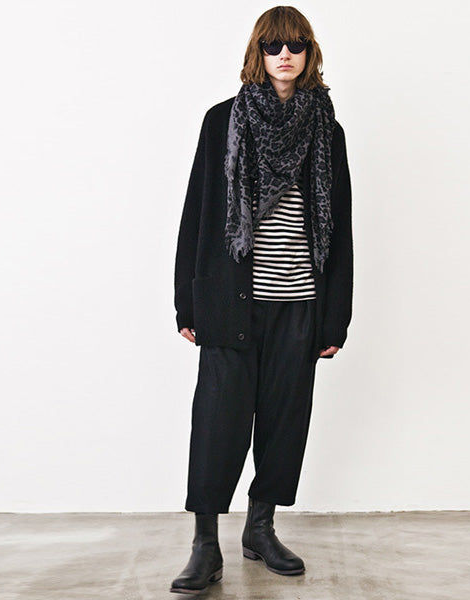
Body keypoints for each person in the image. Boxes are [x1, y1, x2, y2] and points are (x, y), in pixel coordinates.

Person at [171, 6, 353, 595]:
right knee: (217, 423)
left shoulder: (327, 130)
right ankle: (205, 544)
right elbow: (197, 212)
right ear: (259, 51)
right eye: (274, 45)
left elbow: (339, 229)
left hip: (299, 301)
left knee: (283, 422)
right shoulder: (222, 121)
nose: (285, 55)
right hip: (231, 302)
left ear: (309, 53)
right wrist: (187, 301)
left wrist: (335, 317)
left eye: (295, 44)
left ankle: (261, 528)